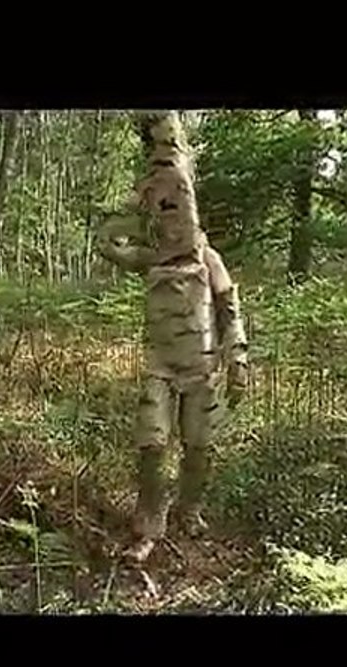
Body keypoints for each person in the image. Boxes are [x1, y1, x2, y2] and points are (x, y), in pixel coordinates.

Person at [96, 111, 248, 562]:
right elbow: (107, 243)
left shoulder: (208, 258)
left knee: (199, 446)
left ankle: (190, 509)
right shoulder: (150, 256)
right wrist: (132, 205)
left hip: (202, 367)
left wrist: (237, 358)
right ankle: (147, 525)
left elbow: (229, 308)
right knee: (152, 443)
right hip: (159, 366)